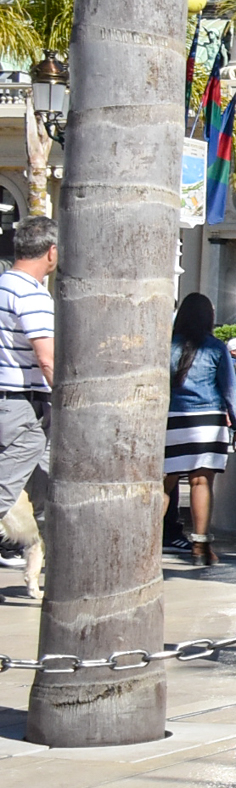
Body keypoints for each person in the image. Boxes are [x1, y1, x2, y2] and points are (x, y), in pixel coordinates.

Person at [164, 291, 236, 567]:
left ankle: (148, 542)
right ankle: (201, 546)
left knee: (165, 483)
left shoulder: (166, 345)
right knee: (201, 483)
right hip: (209, 419)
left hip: (172, 417)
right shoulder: (216, 347)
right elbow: (229, 389)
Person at [0, 218, 56, 600]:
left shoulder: (2, 285)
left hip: (11, 401)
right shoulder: (32, 294)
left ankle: (39, 570)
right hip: (22, 403)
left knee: (41, 490)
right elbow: (47, 358)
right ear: (51, 252)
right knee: (6, 489)